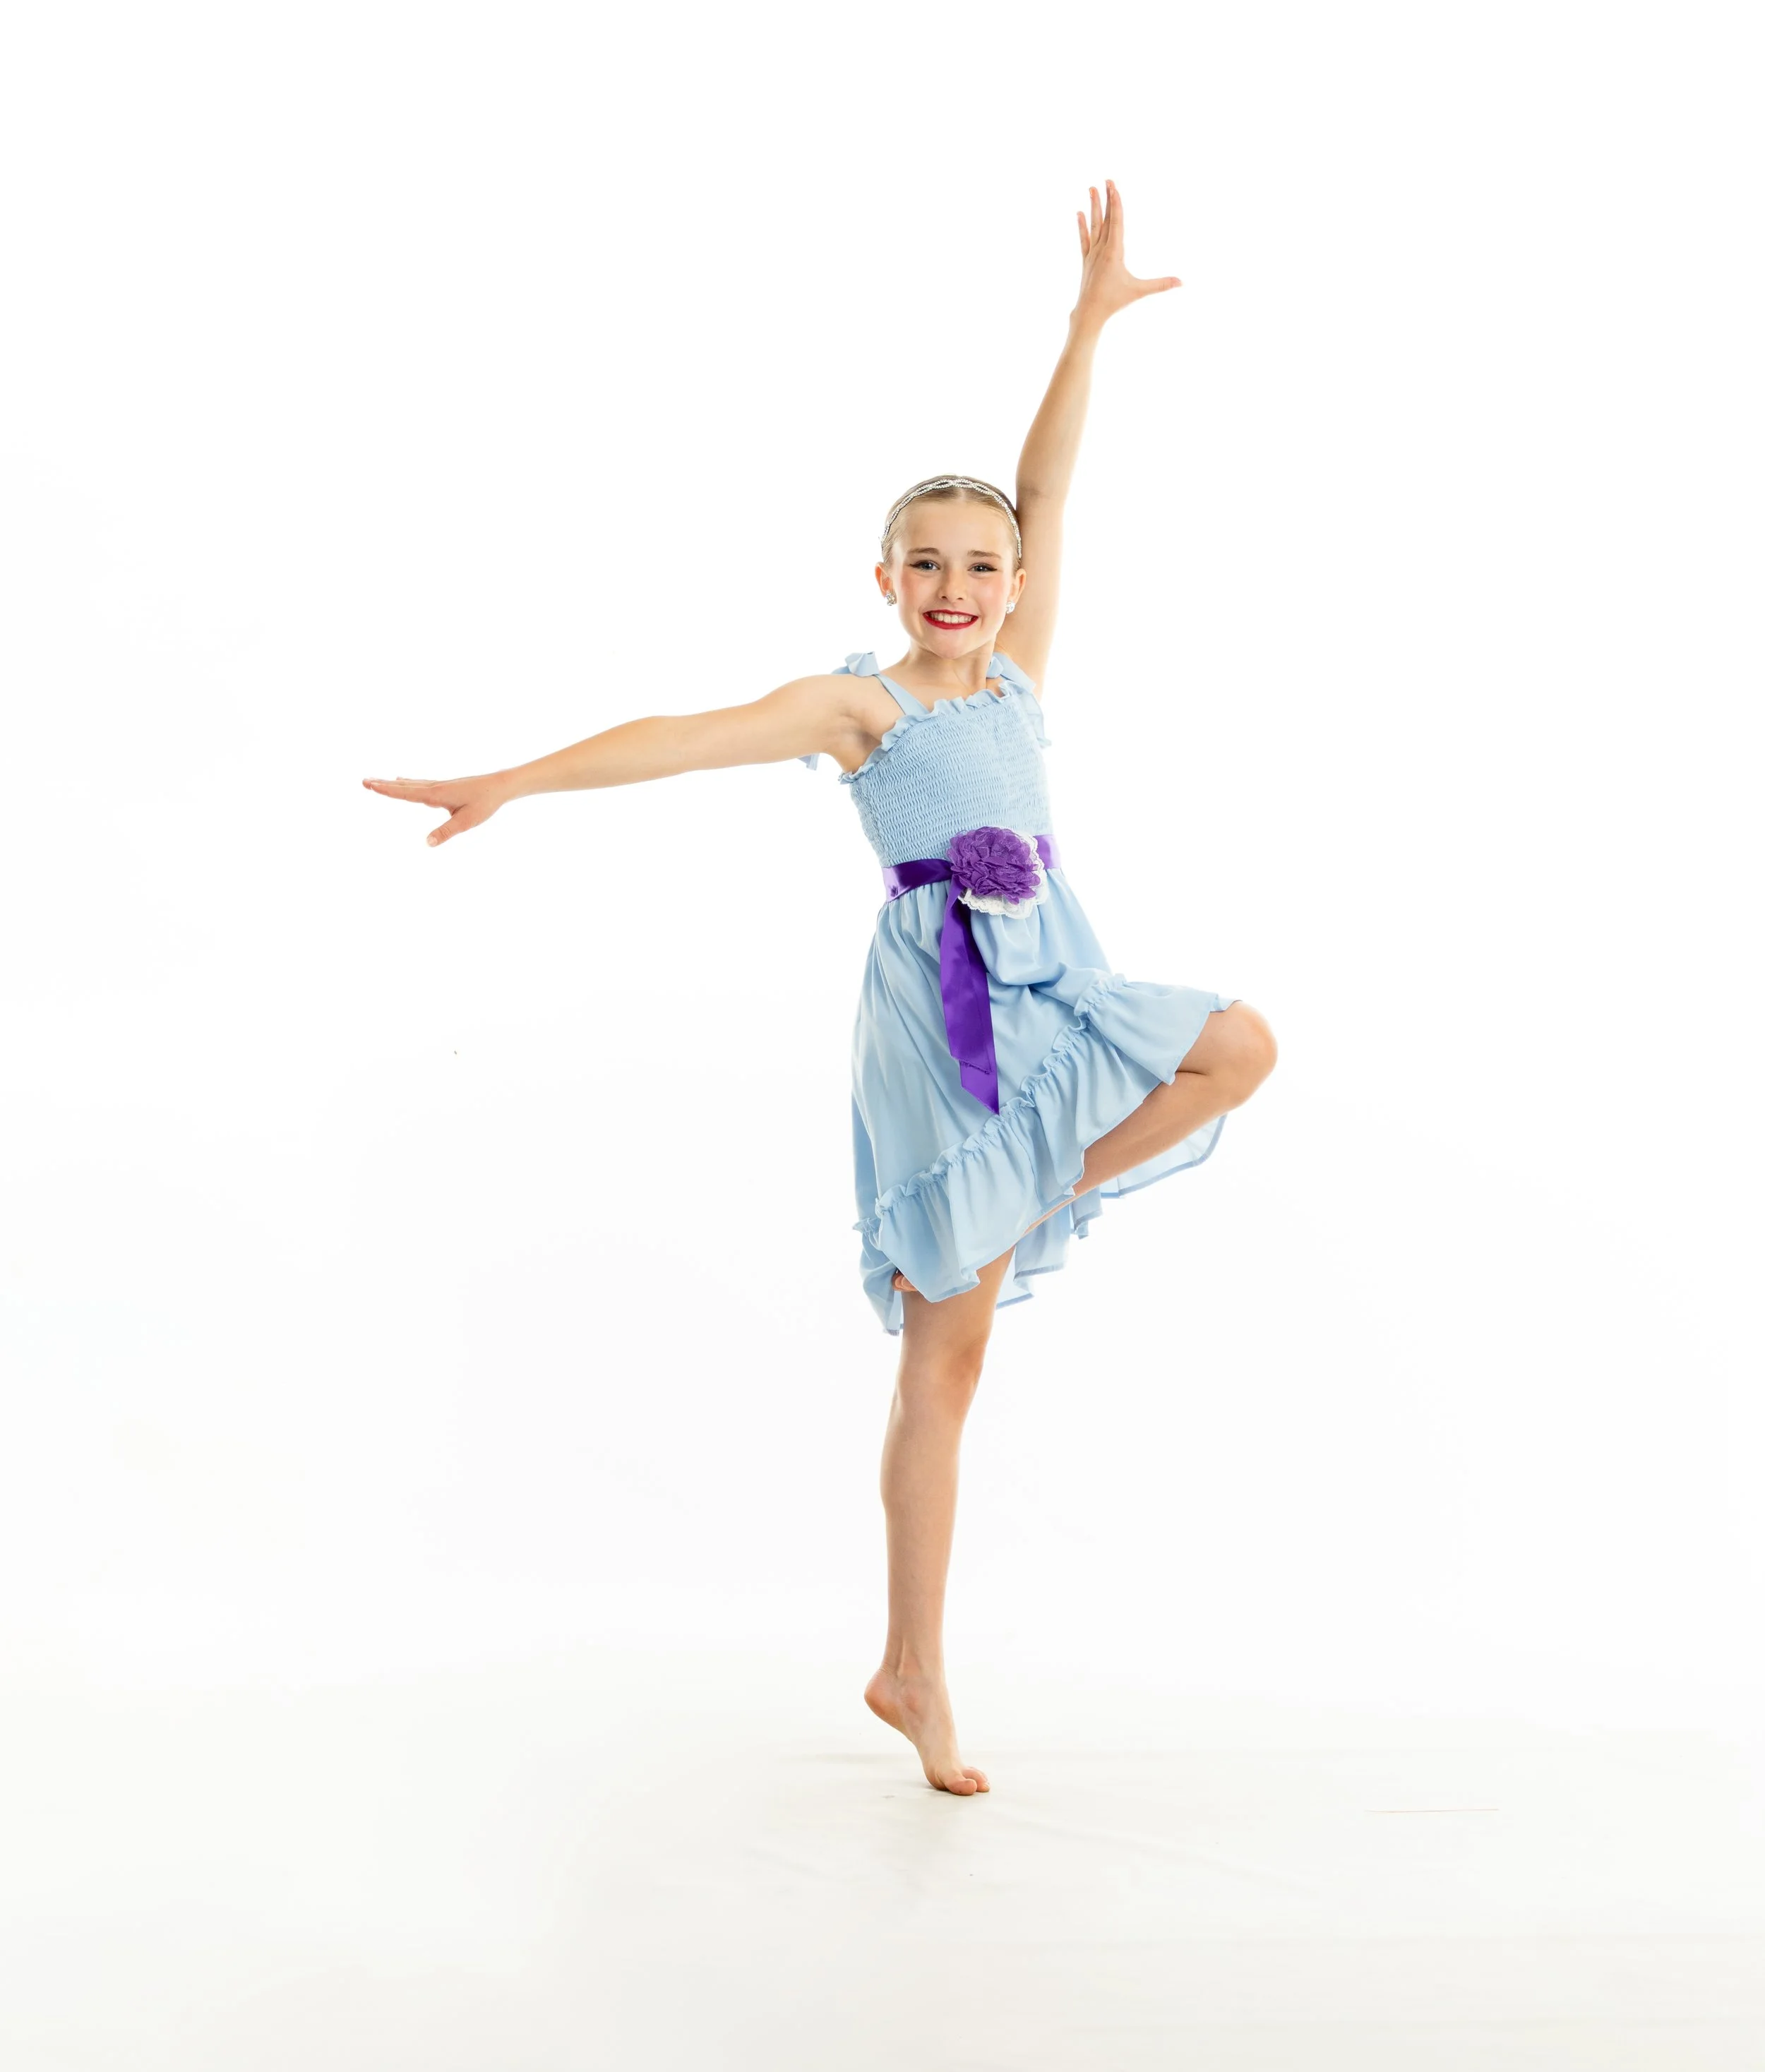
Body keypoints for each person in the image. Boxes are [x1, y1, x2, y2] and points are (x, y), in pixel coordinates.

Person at [364, 180, 1278, 1797]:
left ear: (1005, 581)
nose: (956, 583)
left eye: (979, 562)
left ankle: (1025, 1203)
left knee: (1236, 1046)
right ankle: (911, 1664)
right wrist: (510, 777)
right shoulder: (856, 711)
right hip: (943, 1019)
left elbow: (1050, 486)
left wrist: (1082, 327)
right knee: (948, 1358)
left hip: (1059, 979)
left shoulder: (1014, 669)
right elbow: (681, 733)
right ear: (882, 579)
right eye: (924, 563)